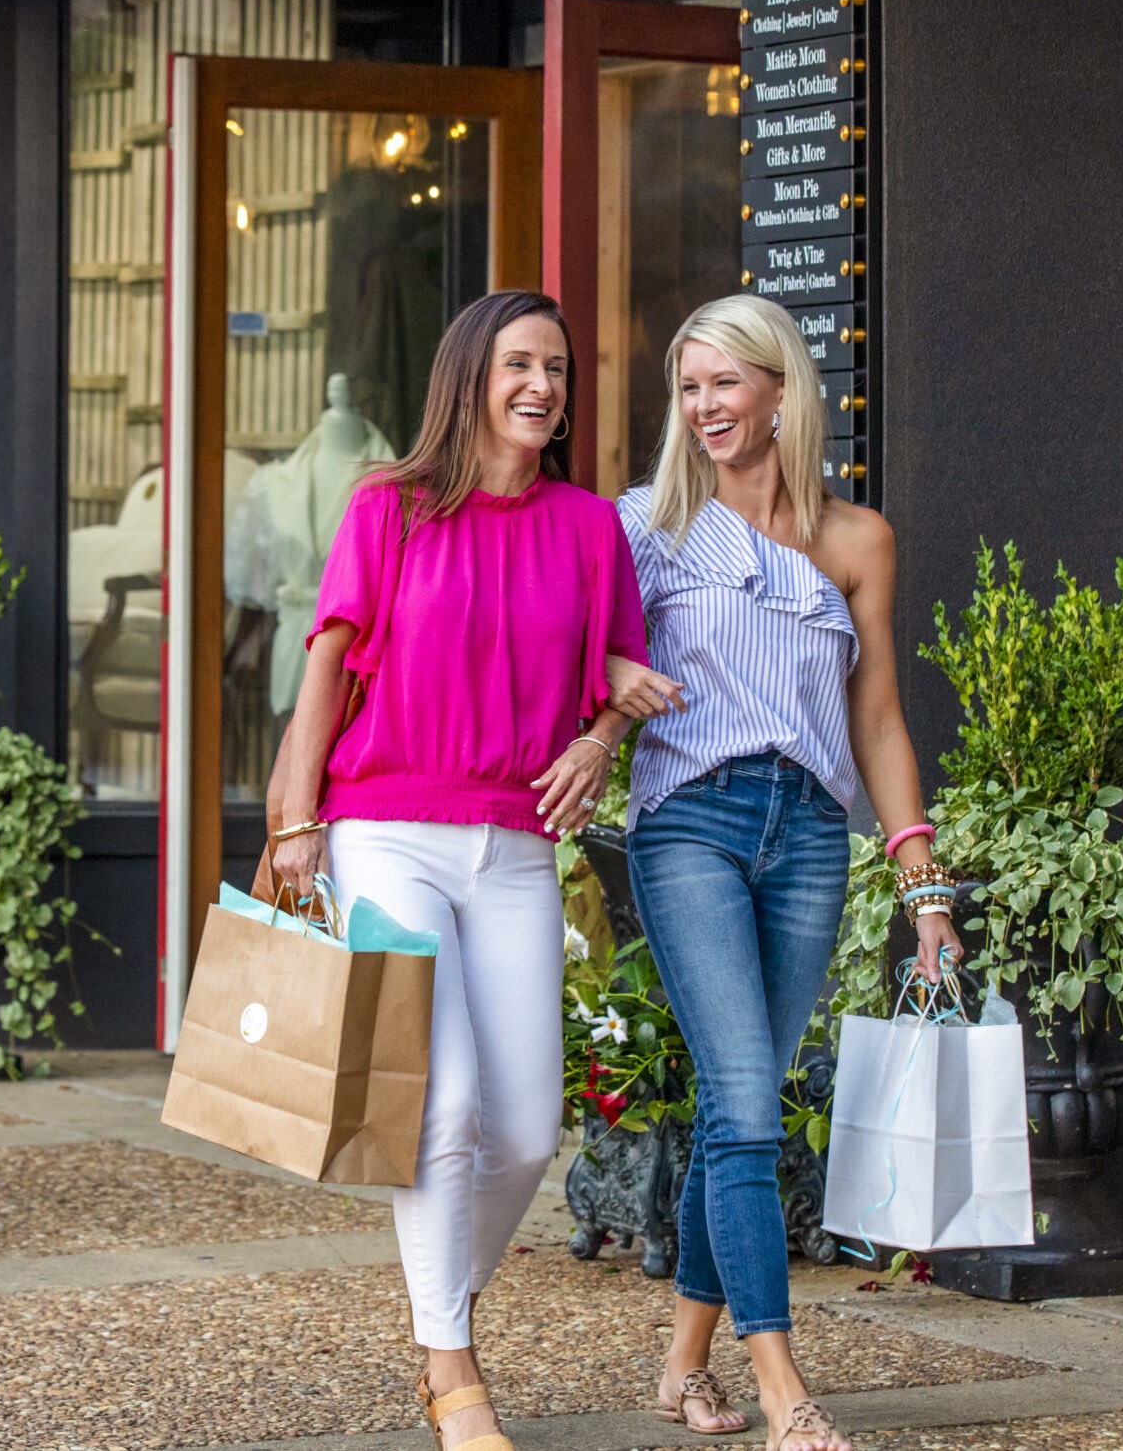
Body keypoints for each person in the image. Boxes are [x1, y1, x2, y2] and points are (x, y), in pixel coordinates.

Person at [265, 290, 647, 1451]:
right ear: (471, 375)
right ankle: (453, 1371)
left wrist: (597, 741)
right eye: (522, 365)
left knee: (529, 1127)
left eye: (560, 372)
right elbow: (328, 668)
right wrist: (293, 822)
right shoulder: (388, 507)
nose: (545, 388)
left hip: (518, 842)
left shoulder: (590, 527)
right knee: (444, 1103)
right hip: (387, 827)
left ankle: (440, 1305)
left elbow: (621, 679)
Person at [605, 295, 963, 1451]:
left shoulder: (857, 541)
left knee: (736, 1106)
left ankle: (680, 1366)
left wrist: (922, 883)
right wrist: (612, 690)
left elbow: (878, 720)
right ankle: (779, 1383)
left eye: (725, 384)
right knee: (750, 1110)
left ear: (779, 391)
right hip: (689, 824)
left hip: (808, 833)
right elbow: (581, 666)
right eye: (689, 388)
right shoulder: (643, 529)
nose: (704, 407)